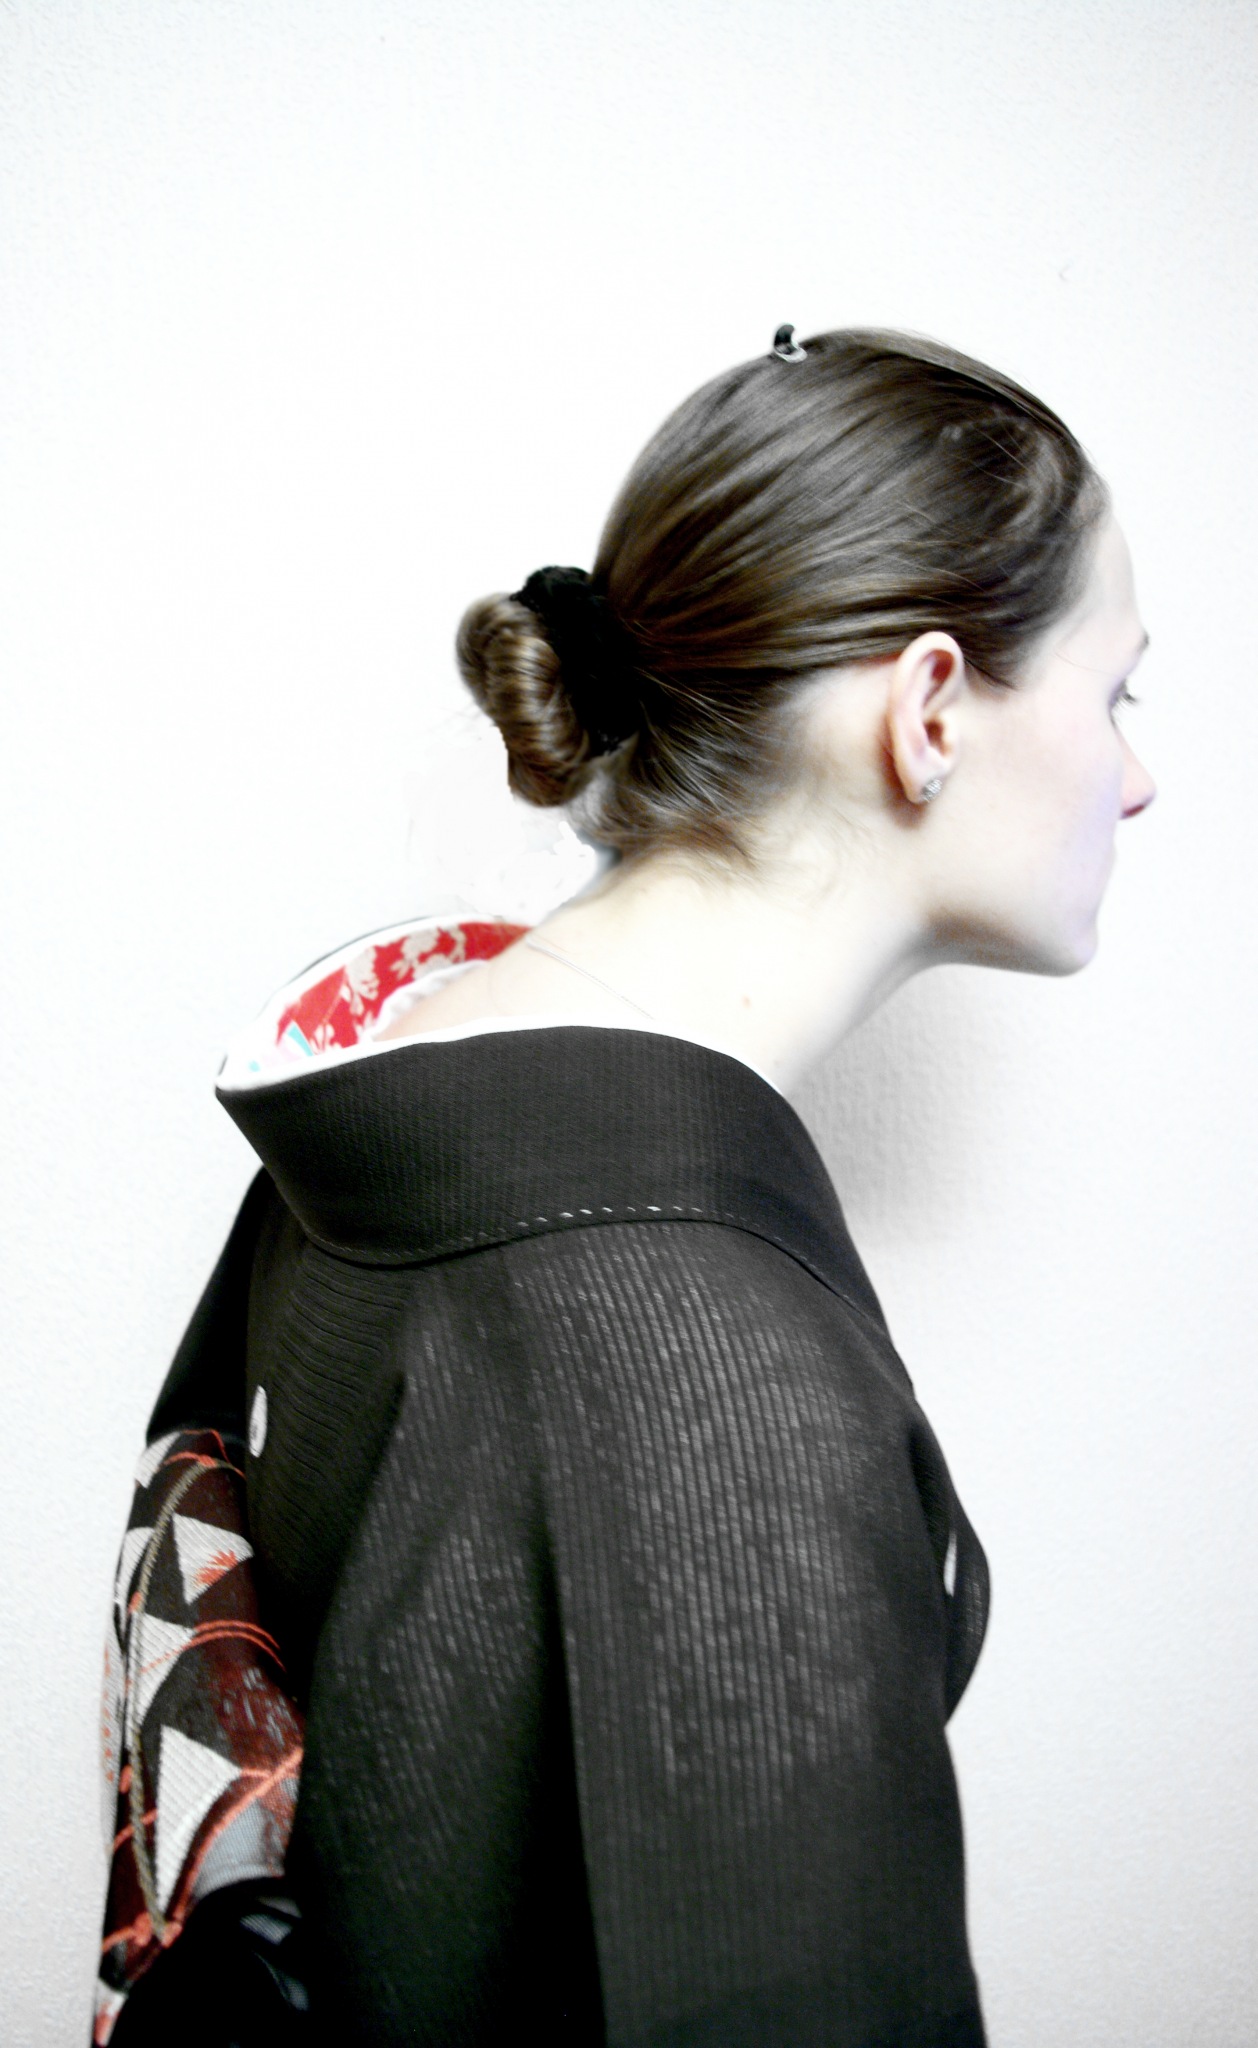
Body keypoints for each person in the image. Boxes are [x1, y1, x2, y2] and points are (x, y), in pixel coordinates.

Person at [97, 326, 1154, 2047]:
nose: (1135, 777)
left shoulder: (388, 1094)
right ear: (931, 710)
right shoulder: (716, 1380)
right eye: (1114, 695)